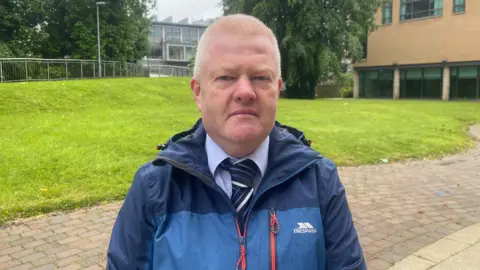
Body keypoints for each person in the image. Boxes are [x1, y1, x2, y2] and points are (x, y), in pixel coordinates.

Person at [107, 14, 366, 270]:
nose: (245, 92)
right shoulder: (155, 188)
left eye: (260, 77)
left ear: (277, 89)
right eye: (226, 77)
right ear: (198, 92)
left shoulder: (320, 181)